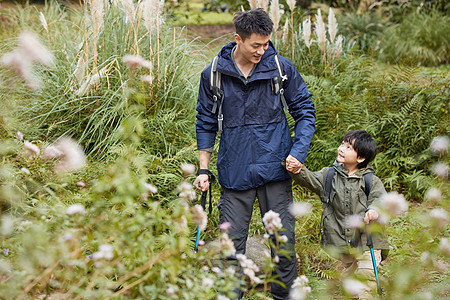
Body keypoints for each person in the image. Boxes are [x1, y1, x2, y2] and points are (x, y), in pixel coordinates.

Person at [193, 8, 316, 299]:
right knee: (230, 250)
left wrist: (298, 152)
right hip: (234, 174)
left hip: (275, 170)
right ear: (238, 39)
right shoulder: (213, 74)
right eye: (256, 45)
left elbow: (305, 112)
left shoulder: (280, 68)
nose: (263, 50)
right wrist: (203, 169)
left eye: (266, 43)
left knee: (282, 246)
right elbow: (205, 122)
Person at [286, 130, 389, 298]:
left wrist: (374, 209)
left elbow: (379, 198)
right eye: (342, 144)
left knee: (367, 278)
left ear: (360, 158)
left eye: (348, 147)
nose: (341, 148)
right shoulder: (329, 175)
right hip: (343, 241)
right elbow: (311, 180)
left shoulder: (370, 180)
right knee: (349, 282)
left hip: (369, 240)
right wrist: (297, 170)